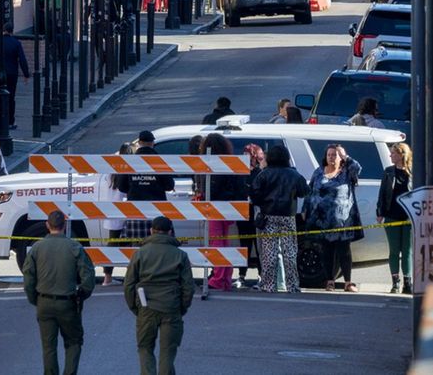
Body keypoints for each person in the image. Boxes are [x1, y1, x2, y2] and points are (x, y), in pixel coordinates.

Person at [23, 209, 96, 375]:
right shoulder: (74, 247)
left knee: (48, 346)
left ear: (47, 225)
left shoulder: (37, 248)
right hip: (68, 302)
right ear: (64, 225)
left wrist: (35, 298)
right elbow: (88, 275)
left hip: (44, 301)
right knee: (74, 342)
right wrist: (82, 294)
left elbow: (28, 278)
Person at [123, 216, 194, 375]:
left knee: (145, 348)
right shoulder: (180, 255)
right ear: (170, 232)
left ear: (151, 231)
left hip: (146, 305)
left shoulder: (140, 253)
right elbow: (188, 287)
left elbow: (128, 285)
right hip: (171, 306)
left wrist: (135, 308)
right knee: (167, 352)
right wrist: (182, 307)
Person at [248, 144, 309, 292]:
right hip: (288, 216)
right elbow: (304, 191)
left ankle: (269, 285)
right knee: (290, 252)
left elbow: (254, 195)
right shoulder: (294, 174)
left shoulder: (264, 174)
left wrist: (263, 201)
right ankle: (293, 286)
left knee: (269, 253)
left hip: (268, 216)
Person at [305, 144, 363, 292]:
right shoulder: (318, 172)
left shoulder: (347, 172)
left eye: (335, 155)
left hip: (343, 220)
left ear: (340, 158)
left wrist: (346, 156)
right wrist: (306, 209)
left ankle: (348, 282)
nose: (331, 157)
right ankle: (329, 281)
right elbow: (310, 191)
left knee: (344, 251)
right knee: (326, 251)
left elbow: (357, 168)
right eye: (329, 154)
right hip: (322, 220)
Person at [196, 133, 247, 290]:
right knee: (225, 241)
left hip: (215, 207)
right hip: (230, 207)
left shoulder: (210, 164)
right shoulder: (230, 162)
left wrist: (203, 196)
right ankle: (225, 278)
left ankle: (218, 278)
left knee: (217, 242)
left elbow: (210, 188)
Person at [115, 130, 175, 242]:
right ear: (152, 143)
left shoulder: (130, 161)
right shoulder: (160, 161)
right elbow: (169, 185)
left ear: (139, 143)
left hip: (135, 211)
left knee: (137, 248)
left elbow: (121, 187)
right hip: (158, 213)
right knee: (160, 244)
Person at [378, 142, 413, 294]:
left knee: (407, 250)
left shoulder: (413, 172)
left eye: (393, 153)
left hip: (409, 217)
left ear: (401, 154)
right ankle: (395, 281)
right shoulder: (388, 172)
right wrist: (380, 212)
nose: (390, 155)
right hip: (392, 216)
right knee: (394, 250)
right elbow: (382, 194)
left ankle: (407, 281)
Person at [99, 142, 133, 286]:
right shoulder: (127, 167)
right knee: (130, 244)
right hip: (125, 210)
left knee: (112, 244)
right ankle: (130, 275)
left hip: (112, 212)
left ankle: (107, 277)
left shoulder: (111, 168)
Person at [0, 25, 31, 130]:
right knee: (10, 97)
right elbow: (22, 59)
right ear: (12, 31)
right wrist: (26, 74)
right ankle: (10, 120)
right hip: (11, 73)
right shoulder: (15, 43)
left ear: (3, 30)